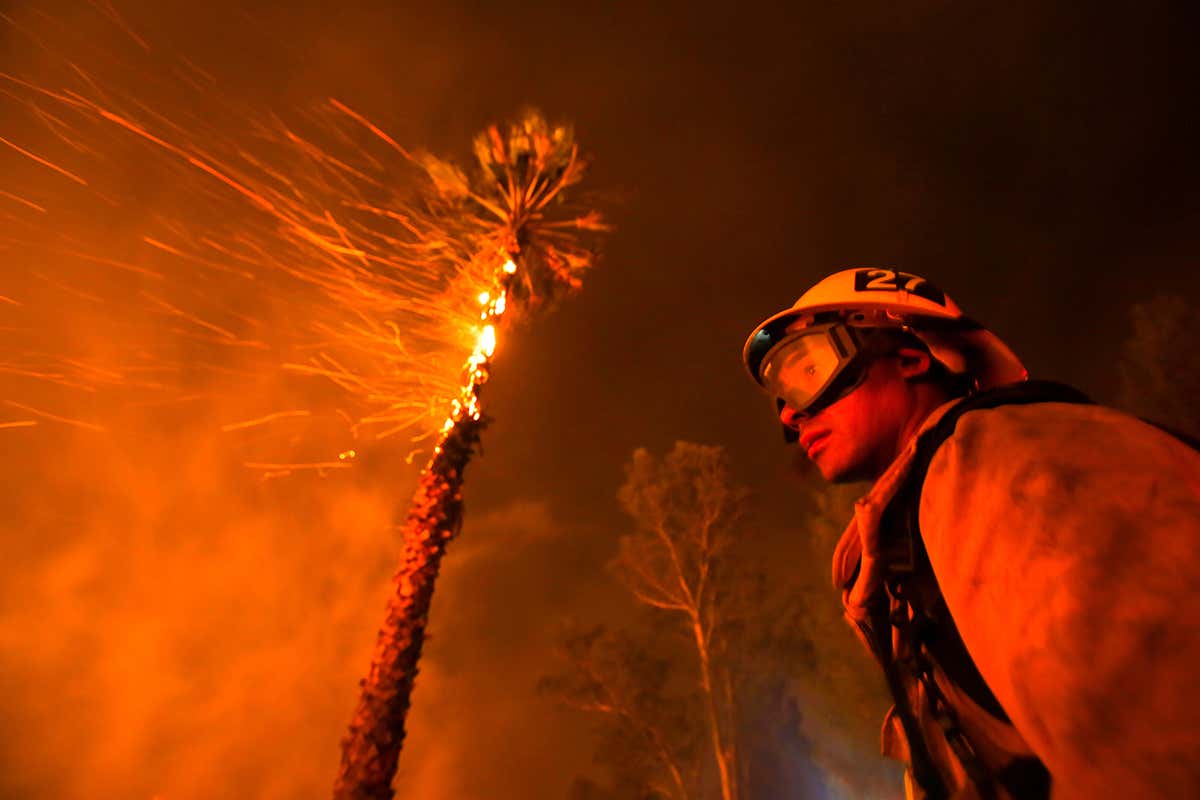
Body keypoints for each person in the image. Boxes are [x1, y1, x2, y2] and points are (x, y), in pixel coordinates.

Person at [741, 268, 1200, 800]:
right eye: (779, 399)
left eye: (808, 368)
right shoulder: (916, 534)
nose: (793, 414)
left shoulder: (1016, 455)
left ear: (911, 357)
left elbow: (1160, 724)